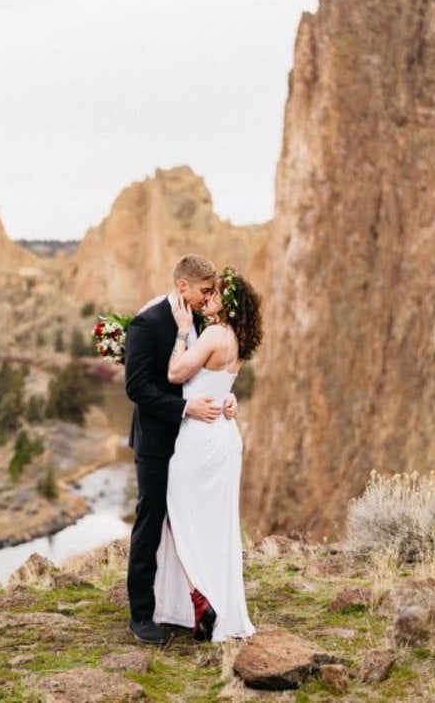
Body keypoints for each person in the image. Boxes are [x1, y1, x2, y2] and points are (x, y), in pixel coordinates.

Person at [121, 255, 233, 645]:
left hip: (195, 443)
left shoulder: (201, 323)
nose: (209, 298)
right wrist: (185, 408)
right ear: (182, 286)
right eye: (204, 291)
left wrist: (227, 399)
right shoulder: (146, 322)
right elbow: (136, 388)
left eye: (211, 291)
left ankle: (191, 605)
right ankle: (141, 616)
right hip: (156, 440)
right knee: (151, 521)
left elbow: (208, 373)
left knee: (188, 521)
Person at [150, 265, 260, 642]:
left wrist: (182, 331)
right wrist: (230, 399)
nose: (206, 298)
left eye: (214, 294)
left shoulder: (213, 333)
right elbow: (221, 384)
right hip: (225, 435)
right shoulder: (239, 338)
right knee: (215, 524)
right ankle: (207, 602)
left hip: (198, 436)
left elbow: (176, 374)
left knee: (180, 515)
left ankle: (201, 599)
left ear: (224, 303)